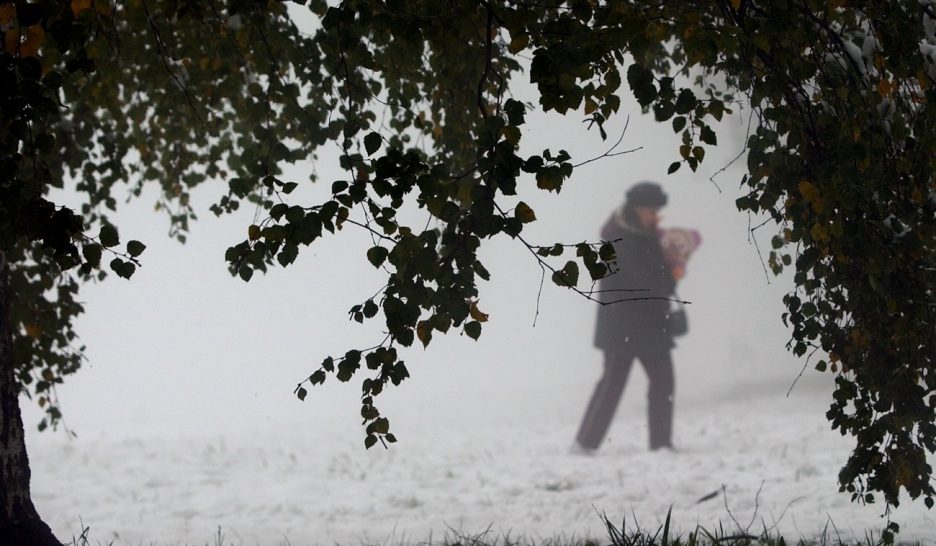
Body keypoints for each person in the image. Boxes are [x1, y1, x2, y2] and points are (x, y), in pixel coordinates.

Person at [573, 181, 693, 453]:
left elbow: (655, 275)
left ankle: (661, 444)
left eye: (656, 211)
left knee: (663, 381)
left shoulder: (646, 233)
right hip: (622, 323)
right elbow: (637, 279)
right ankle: (584, 443)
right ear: (636, 208)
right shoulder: (620, 236)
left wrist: (672, 272)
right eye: (650, 210)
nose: (654, 215)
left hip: (649, 321)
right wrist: (666, 280)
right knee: (612, 384)